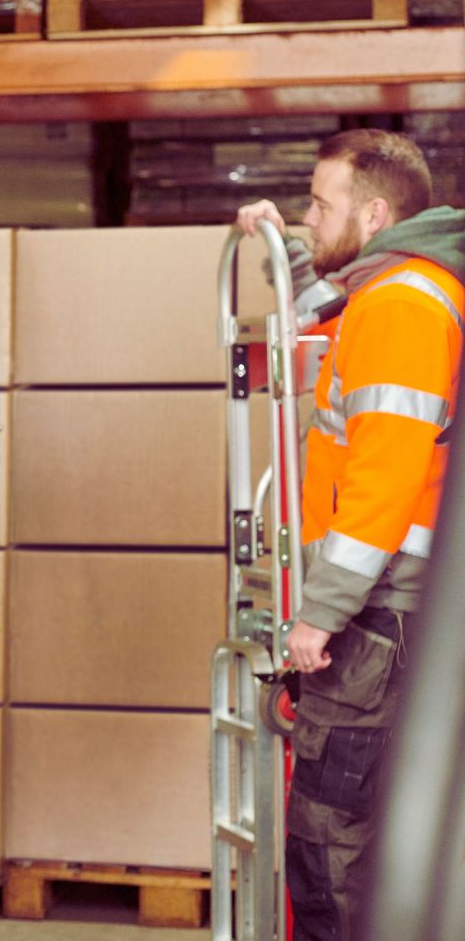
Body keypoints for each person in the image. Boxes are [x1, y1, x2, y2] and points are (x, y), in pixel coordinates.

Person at [236, 128, 465, 941]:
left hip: (377, 621)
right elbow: (317, 319)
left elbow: (383, 483)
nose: (308, 216)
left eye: (317, 205)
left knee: (333, 848)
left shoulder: (402, 307)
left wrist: (318, 615)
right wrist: (284, 244)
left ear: (372, 215)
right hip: (391, 614)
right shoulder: (391, 292)